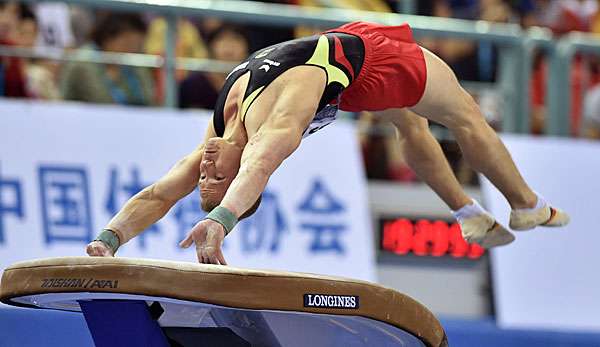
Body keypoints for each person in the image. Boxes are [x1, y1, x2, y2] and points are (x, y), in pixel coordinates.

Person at [87, 21, 569, 264]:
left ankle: (467, 214)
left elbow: (159, 194)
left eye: (205, 177)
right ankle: (526, 204)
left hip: (344, 44)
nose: (206, 166)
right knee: (466, 117)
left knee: (411, 126)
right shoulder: (270, 133)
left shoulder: (218, 139)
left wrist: (109, 239)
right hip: (372, 67)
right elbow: (258, 167)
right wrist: (220, 220)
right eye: (216, 177)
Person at [60, 12, 155, 106]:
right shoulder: (82, 62)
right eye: (127, 41)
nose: (132, 48)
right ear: (107, 37)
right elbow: (65, 99)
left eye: (137, 44)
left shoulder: (137, 63)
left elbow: (148, 99)